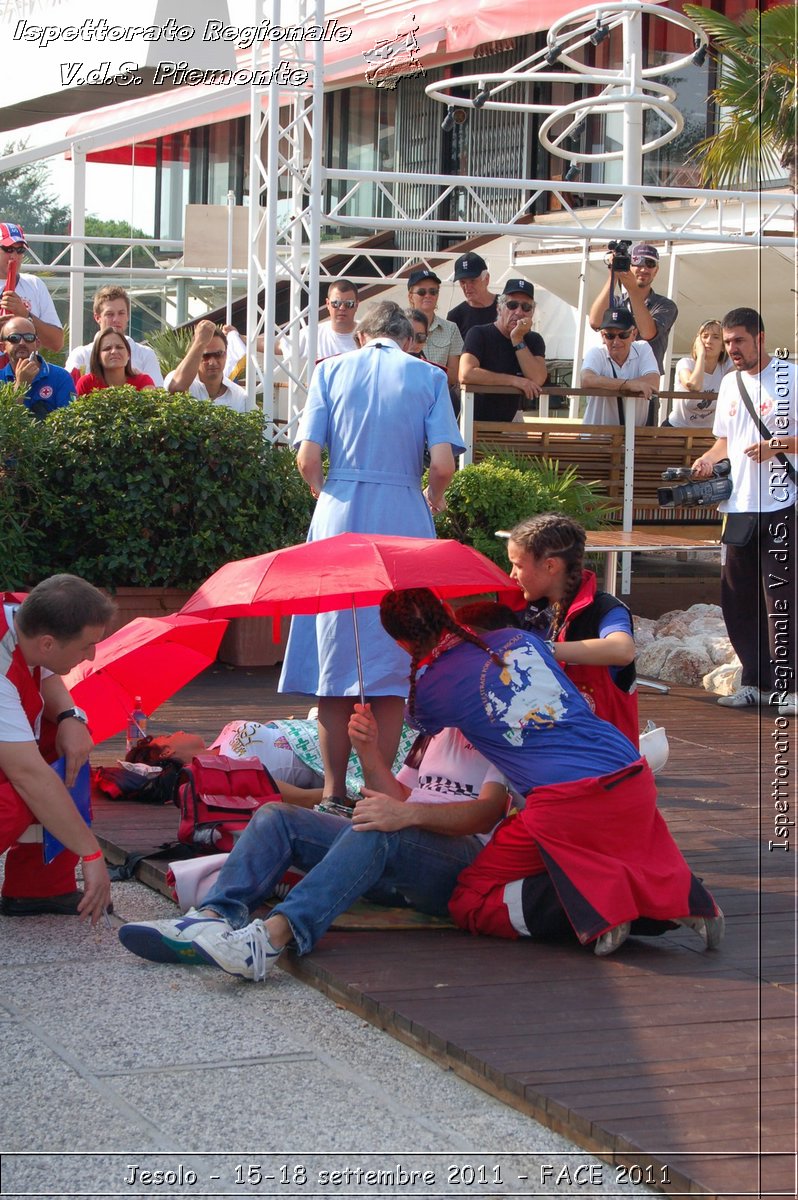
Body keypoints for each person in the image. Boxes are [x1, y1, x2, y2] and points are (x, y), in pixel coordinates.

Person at [378, 588, 724, 956]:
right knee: (619, 850)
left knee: (471, 899)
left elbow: (420, 721)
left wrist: (424, 665)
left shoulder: (431, 688)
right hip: (632, 773)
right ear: (446, 608)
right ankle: (691, 902)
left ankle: (601, 909)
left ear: (401, 643)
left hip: (566, 800)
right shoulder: (523, 639)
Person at [116, 700, 510, 979]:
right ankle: (213, 919)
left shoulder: (506, 731)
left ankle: (270, 940)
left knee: (379, 826)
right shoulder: (438, 732)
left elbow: (488, 812)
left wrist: (408, 815)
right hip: (403, 836)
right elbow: (395, 795)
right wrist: (368, 752)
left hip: (459, 861)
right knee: (276, 817)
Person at [279, 301, 465, 804]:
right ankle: (377, 790)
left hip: (340, 512)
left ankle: (334, 792)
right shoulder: (426, 376)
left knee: (335, 657)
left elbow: (307, 457)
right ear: (407, 340)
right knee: (391, 655)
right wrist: (435, 497)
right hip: (403, 512)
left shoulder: (330, 370)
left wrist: (324, 491)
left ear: (361, 336)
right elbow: (443, 463)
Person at [691, 307, 797, 715]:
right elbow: (724, 442)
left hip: (782, 503)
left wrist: (781, 445)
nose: (732, 348)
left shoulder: (791, 377)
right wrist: (706, 460)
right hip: (738, 506)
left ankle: (789, 687)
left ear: (760, 338)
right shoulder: (731, 384)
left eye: (739, 340)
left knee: (782, 598)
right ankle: (754, 681)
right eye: (728, 341)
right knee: (737, 598)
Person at [0, 575, 114, 922]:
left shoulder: (23, 617)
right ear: (49, 643)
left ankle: (39, 887)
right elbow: (29, 776)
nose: (92, 654)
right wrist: (92, 855)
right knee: (23, 796)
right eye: (86, 645)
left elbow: (44, 676)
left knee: (67, 745)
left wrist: (71, 718)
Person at [506, 514, 638, 745]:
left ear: (550, 566)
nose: (512, 575)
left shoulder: (604, 609)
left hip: (601, 762)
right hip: (543, 752)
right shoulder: (520, 609)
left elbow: (622, 650)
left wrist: (542, 649)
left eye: (517, 565)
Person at [459, 279, 547, 422]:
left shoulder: (534, 340)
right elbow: (466, 373)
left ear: (532, 313)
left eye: (526, 307)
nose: (518, 312)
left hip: (508, 423)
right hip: (471, 422)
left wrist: (518, 339)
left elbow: (537, 379)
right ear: (499, 308)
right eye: (512, 305)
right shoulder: (478, 334)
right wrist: (514, 381)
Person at [588, 242, 678, 374]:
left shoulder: (665, 305)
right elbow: (595, 322)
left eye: (650, 264)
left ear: (656, 270)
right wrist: (613, 275)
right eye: (638, 262)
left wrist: (632, 289)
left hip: (646, 376)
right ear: (629, 266)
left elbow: (648, 333)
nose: (644, 269)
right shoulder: (617, 301)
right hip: (612, 374)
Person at [65, 285, 164, 386]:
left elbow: (157, 394)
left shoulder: (145, 354)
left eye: (121, 313)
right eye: (110, 314)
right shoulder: (81, 355)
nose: (116, 319)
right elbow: (70, 393)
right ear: (97, 317)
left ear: (128, 316)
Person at [580, 308, 660, 426]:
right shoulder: (596, 352)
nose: (616, 342)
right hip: (596, 439)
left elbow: (653, 381)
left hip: (632, 438)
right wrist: (628, 384)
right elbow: (586, 380)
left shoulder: (643, 348)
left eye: (623, 335)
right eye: (610, 336)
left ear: (634, 334)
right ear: (603, 336)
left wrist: (608, 384)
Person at [0, 223, 63, 352]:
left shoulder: (34, 284)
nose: (14, 256)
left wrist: (26, 315)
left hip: (26, 367)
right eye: (8, 249)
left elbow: (56, 343)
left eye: (20, 250)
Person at [164, 321, 253, 413]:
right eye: (205, 355)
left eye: (218, 354)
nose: (212, 362)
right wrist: (200, 342)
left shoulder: (239, 395)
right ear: (196, 355)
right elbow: (176, 388)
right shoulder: (176, 377)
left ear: (226, 354)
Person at [0, 317, 76, 419]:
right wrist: (20, 386)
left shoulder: (61, 377)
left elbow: (70, 422)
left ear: (37, 344)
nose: (22, 342)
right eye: (14, 338)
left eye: (29, 337)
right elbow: (5, 425)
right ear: (3, 347)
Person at [666, 319, 732, 428]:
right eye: (705, 336)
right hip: (677, 430)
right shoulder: (685, 364)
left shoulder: (726, 367)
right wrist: (701, 355)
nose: (709, 341)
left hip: (708, 434)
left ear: (723, 346)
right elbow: (694, 386)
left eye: (716, 337)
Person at [405, 268, 463, 392]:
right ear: (410, 296)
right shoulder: (399, 327)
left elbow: (453, 376)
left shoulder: (451, 328)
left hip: (439, 396)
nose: (428, 296)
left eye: (433, 291)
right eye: (421, 292)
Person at [278, 279, 360, 363]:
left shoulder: (369, 332)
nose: (342, 308)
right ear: (328, 304)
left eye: (349, 304)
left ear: (357, 305)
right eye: (336, 303)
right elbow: (278, 345)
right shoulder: (314, 333)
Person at [75, 328, 155, 395]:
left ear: (128, 354)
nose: (114, 351)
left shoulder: (143, 381)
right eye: (107, 348)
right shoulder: (86, 384)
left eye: (119, 347)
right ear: (98, 357)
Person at [446, 252, 498, 336]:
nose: (467, 287)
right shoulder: (455, 316)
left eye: (472, 280)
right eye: (462, 282)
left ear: (486, 279)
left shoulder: (507, 307)